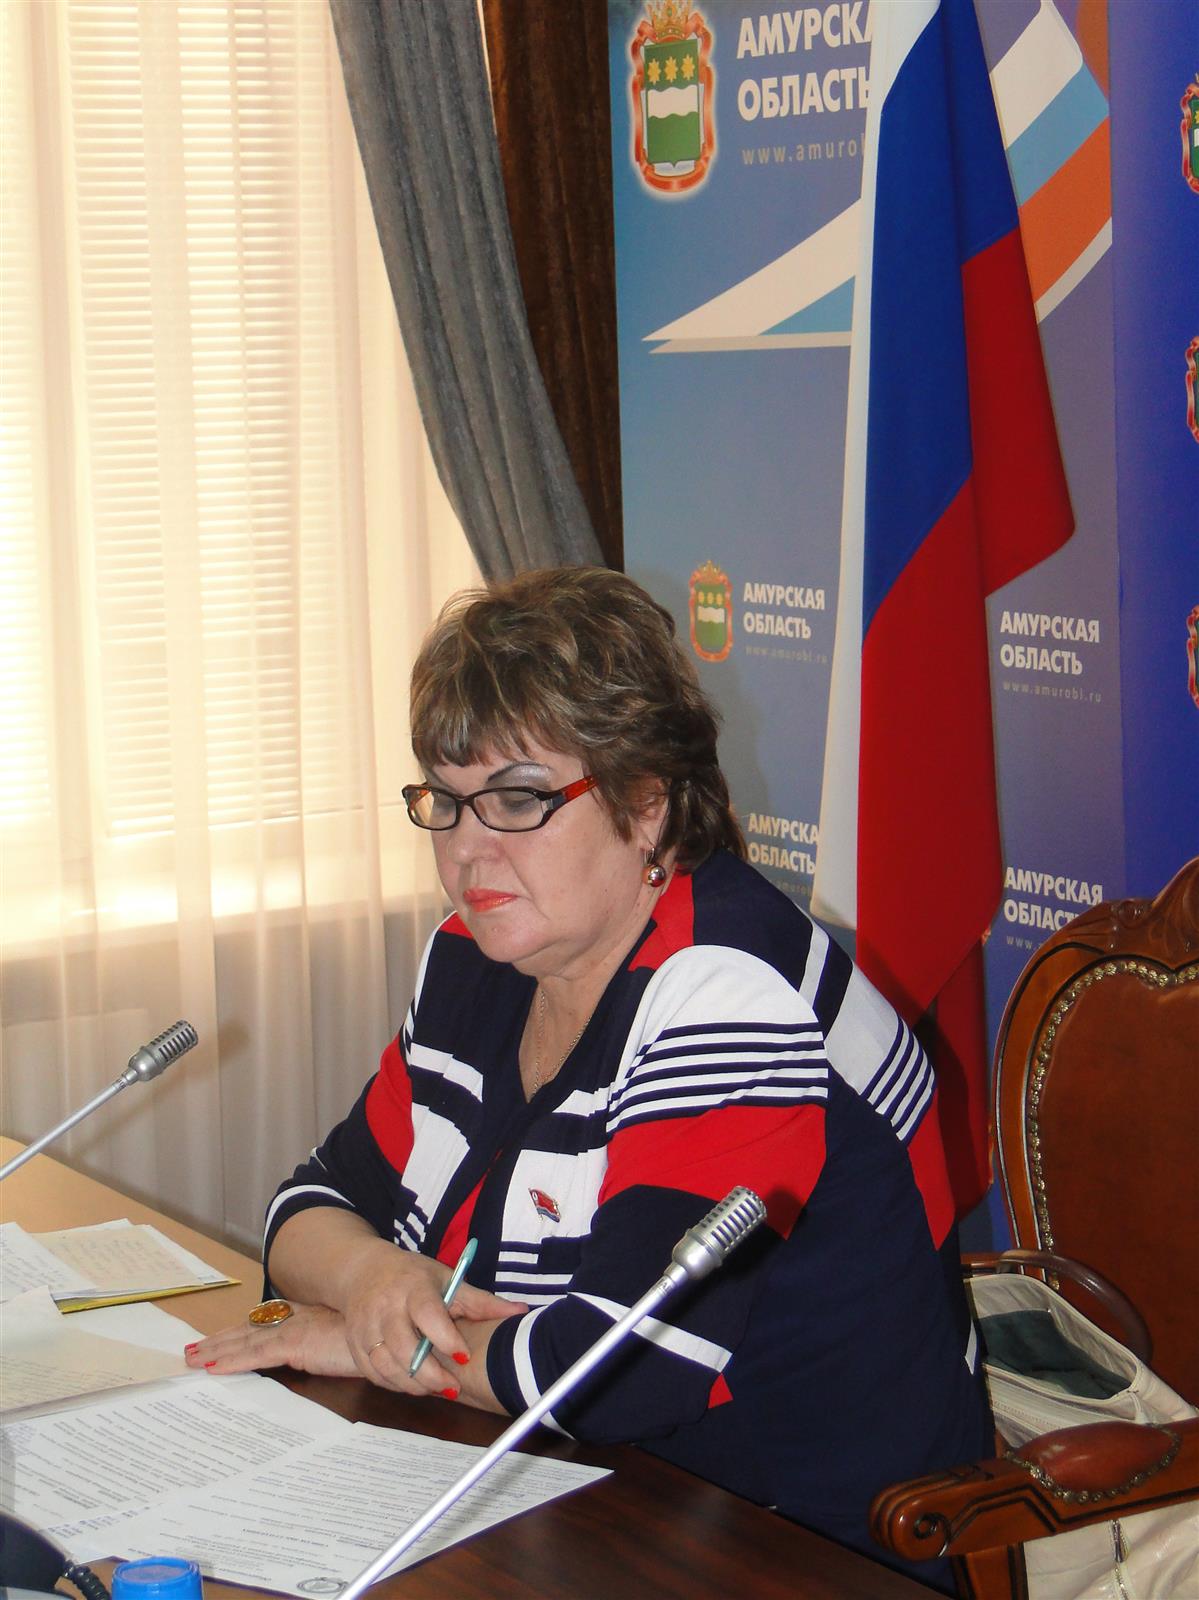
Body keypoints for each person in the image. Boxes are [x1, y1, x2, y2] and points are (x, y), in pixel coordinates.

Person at [188, 566, 991, 1586]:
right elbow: (311, 1206)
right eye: (446, 800)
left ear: (644, 802)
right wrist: (374, 1283)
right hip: (572, 1488)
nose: (467, 850)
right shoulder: (476, 959)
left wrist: (366, 1343)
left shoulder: (729, 992)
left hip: (801, 1545)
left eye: (517, 800)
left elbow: (611, 1368)